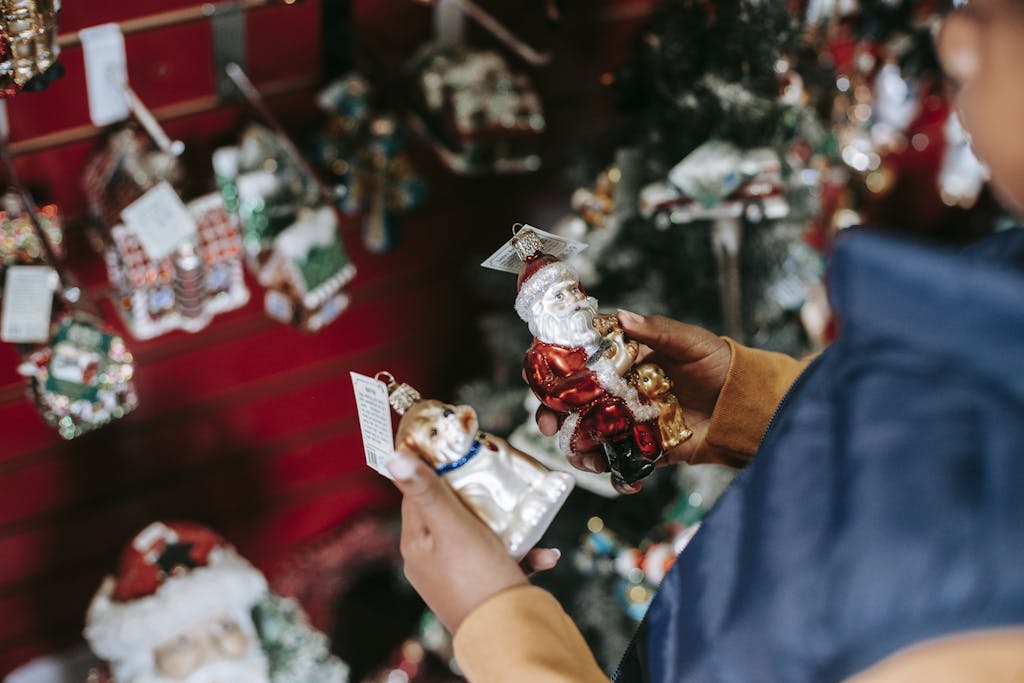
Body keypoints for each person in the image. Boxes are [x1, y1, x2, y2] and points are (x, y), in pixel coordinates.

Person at [386, 1, 1024, 680]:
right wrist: (752, 402)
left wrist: (495, 618)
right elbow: (914, 443)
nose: (954, 39)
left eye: (1002, 9)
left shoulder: (977, 613)